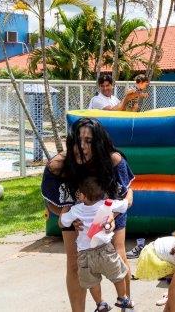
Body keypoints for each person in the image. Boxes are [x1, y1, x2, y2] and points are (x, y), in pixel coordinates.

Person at [41, 117, 135, 312]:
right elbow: (51, 204)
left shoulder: (113, 161)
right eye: (77, 140)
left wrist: (110, 216)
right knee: (74, 263)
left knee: (117, 253)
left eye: (88, 141)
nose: (81, 146)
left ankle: (125, 303)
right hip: (74, 211)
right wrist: (69, 218)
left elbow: (127, 195)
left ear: (98, 143)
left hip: (108, 208)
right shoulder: (57, 166)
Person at [60, 177, 132, 311]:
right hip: (105, 250)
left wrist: (65, 207)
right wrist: (130, 191)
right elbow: (125, 204)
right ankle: (122, 297)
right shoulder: (107, 205)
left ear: (83, 196)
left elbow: (62, 222)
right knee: (118, 274)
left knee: (92, 282)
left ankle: (100, 303)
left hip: (85, 254)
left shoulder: (76, 209)